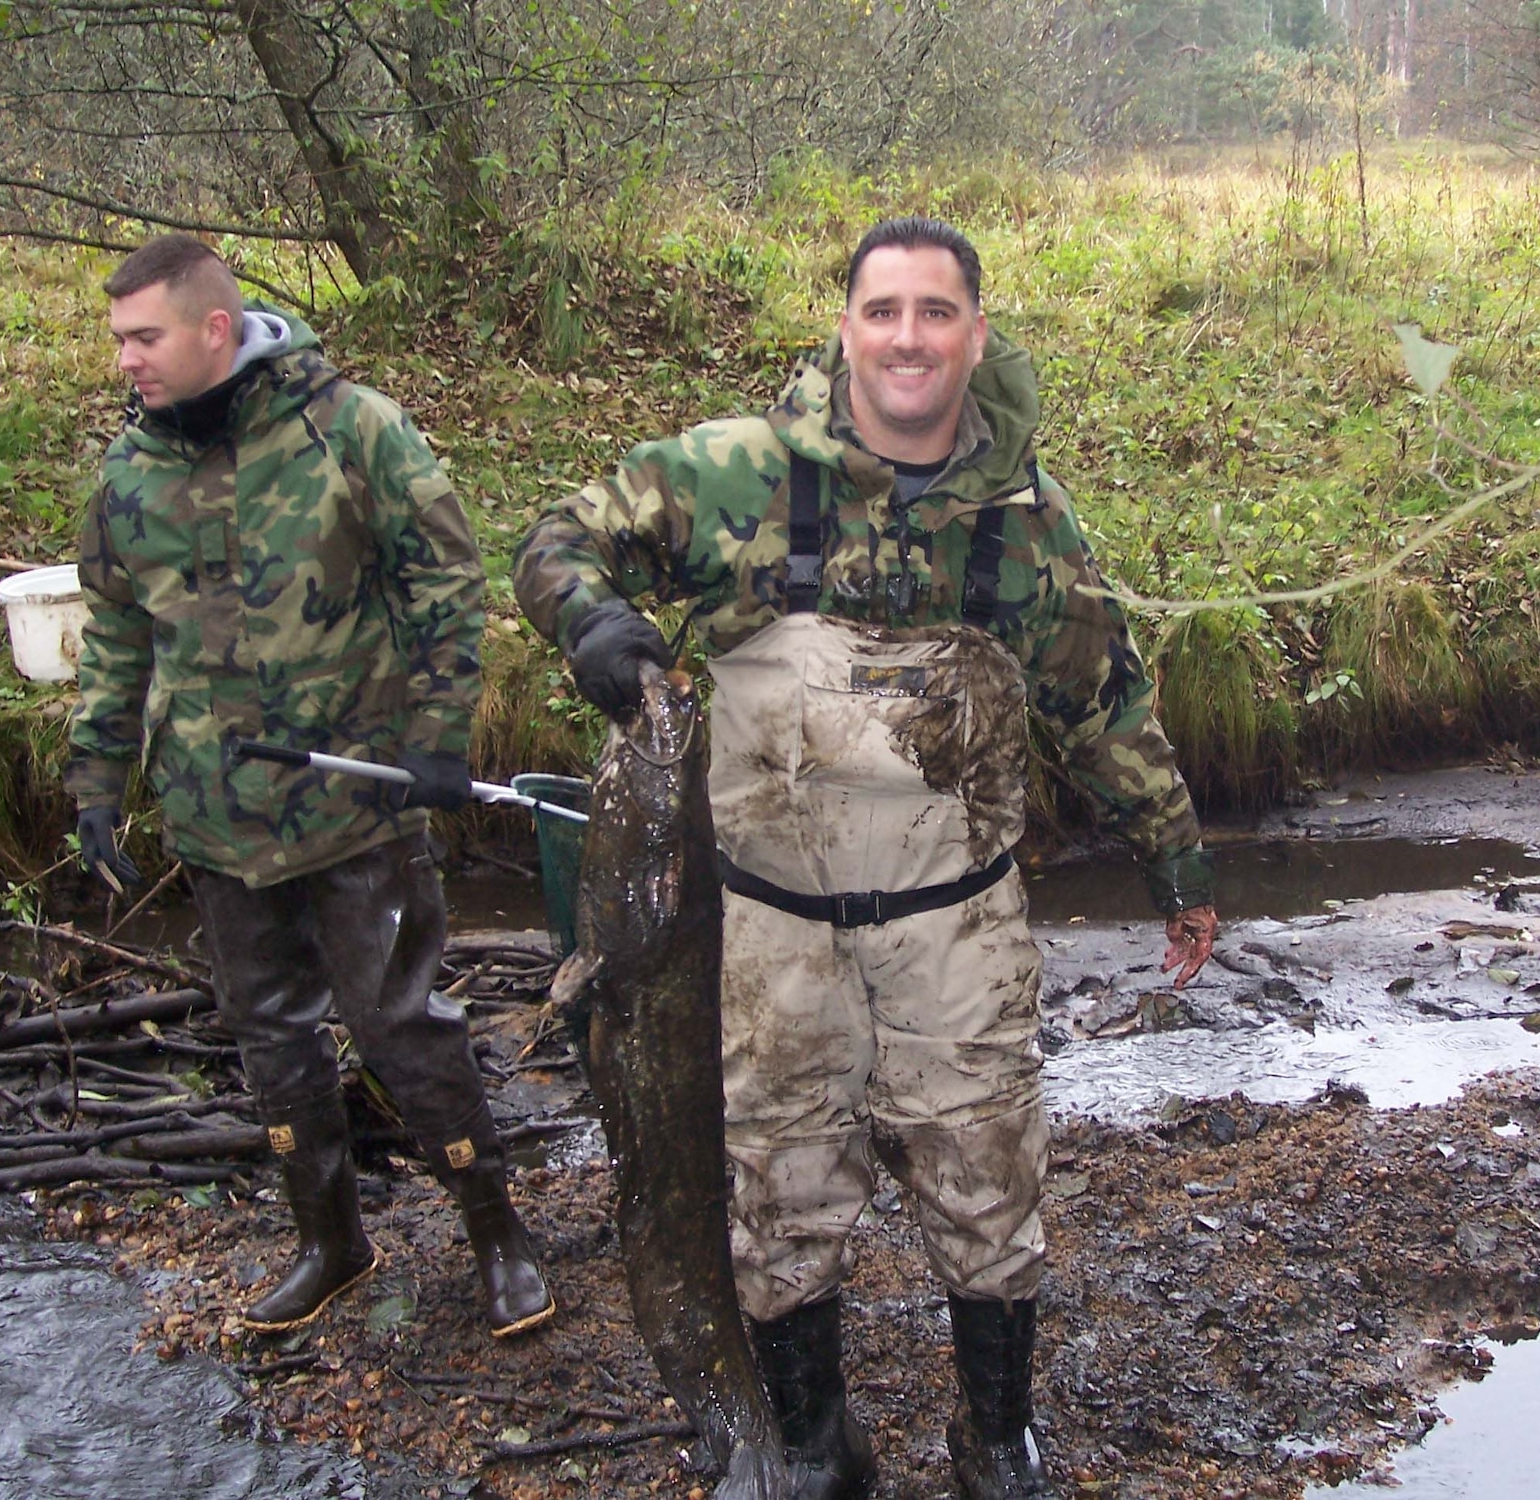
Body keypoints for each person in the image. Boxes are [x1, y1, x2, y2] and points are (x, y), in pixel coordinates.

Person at [513, 216, 1217, 1499]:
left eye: (934, 313)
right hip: (767, 926)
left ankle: (992, 1440)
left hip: (958, 924)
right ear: (843, 327)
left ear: (974, 336)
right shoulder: (730, 475)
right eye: (882, 310)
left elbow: (1099, 700)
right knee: (778, 1193)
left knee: (988, 1179)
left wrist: (1173, 860)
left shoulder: (1022, 522)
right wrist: (597, 625)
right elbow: (555, 542)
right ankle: (814, 1440)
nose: (907, 337)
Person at [68, 233, 554, 1340]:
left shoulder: (349, 429)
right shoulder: (129, 470)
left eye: (143, 338)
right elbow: (113, 634)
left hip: (354, 807)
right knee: (269, 1037)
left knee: (401, 1025)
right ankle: (329, 1243)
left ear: (213, 329)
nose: (126, 361)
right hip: (213, 814)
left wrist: (437, 736)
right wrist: (96, 778)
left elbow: (443, 573)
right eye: (118, 341)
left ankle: (498, 1235)